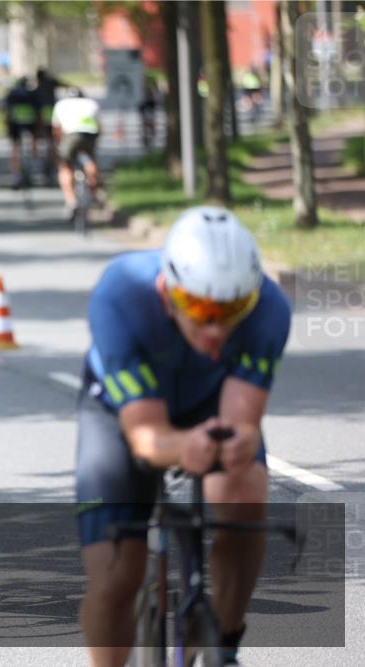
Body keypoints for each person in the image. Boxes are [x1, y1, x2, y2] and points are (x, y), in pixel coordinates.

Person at [75, 207, 291, 667]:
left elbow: (240, 424)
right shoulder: (121, 295)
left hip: (207, 403)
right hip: (119, 414)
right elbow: (147, 436)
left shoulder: (269, 309)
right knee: (116, 576)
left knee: (245, 487)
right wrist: (183, 447)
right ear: (166, 292)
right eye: (200, 310)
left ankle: (224, 644)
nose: (217, 330)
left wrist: (236, 444)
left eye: (232, 311)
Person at [52, 88, 101, 219]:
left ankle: (71, 201)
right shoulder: (91, 103)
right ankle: (93, 191)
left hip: (70, 136)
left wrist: (58, 145)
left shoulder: (61, 105)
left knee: (64, 167)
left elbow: (56, 130)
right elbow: (99, 127)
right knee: (90, 160)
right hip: (89, 136)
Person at [31, 68, 69, 182]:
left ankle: (36, 161)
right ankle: (55, 162)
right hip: (51, 112)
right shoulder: (51, 83)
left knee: (36, 137)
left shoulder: (36, 89)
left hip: (41, 113)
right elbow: (65, 85)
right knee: (51, 140)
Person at [4, 75, 38, 188]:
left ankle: (15, 175)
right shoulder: (32, 93)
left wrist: (6, 124)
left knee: (15, 147)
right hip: (30, 120)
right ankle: (34, 167)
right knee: (34, 141)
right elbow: (37, 109)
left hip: (15, 122)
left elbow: (7, 110)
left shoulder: (12, 93)